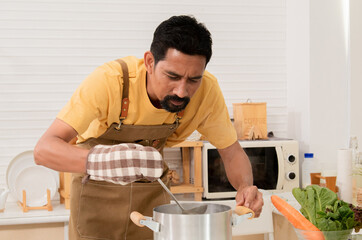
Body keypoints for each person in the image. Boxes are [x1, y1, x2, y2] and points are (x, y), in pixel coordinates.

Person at [34, 15, 264, 240]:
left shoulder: (207, 92)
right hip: (95, 203)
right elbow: (44, 150)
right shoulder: (110, 81)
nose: (182, 92)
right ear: (149, 62)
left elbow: (231, 152)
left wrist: (245, 186)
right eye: (172, 76)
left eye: (194, 79)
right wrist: (108, 162)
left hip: (150, 208)